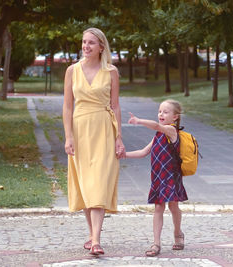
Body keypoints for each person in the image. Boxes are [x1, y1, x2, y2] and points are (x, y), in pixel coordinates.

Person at [62, 27, 125, 256]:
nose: (86, 46)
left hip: (103, 130)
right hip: (79, 130)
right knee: (86, 184)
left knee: (98, 182)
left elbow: (116, 105)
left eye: (91, 43)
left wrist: (119, 137)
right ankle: (91, 234)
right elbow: (68, 106)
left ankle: (96, 240)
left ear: (101, 47)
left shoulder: (111, 72)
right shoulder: (72, 71)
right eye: (83, 42)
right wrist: (68, 136)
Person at [124, 99, 188, 257]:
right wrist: (122, 155)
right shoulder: (158, 134)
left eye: (166, 112)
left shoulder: (171, 131)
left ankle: (178, 233)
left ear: (175, 117)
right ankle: (156, 243)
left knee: (173, 206)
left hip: (171, 176)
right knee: (159, 207)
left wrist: (138, 121)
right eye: (160, 111)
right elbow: (143, 152)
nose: (161, 114)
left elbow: (157, 125)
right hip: (158, 178)